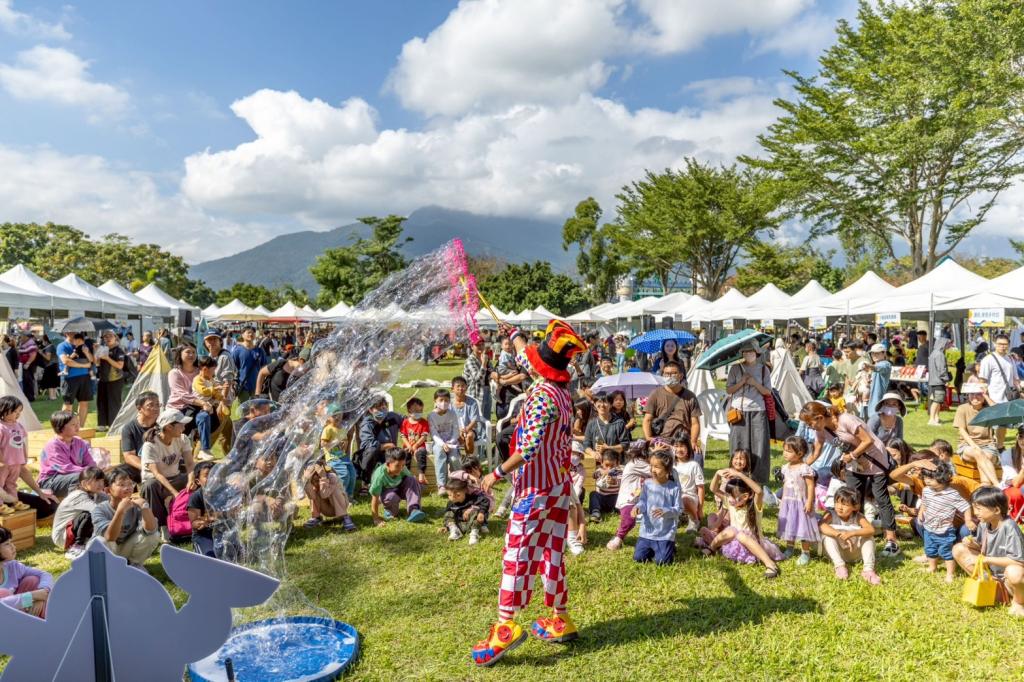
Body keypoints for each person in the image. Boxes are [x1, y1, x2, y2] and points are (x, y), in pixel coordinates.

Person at [474, 320, 585, 666]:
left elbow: (529, 448)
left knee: (517, 552)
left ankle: (505, 626)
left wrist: (496, 473)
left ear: (540, 367)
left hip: (536, 490)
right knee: (552, 551)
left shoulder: (541, 397)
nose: (528, 359)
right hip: (559, 487)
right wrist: (512, 333)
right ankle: (560, 619)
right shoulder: (561, 391)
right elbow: (524, 354)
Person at [799, 401, 900, 557]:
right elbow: (816, 452)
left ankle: (891, 540)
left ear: (819, 417)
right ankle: (858, 533)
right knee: (852, 498)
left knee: (881, 497)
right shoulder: (821, 429)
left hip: (874, 460)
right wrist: (801, 467)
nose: (809, 427)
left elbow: (868, 440)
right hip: (854, 464)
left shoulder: (845, 420)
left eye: (810, 423)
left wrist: (852, 455)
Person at [953, 487, 1024, 617]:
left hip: (1010, 580)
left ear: (996, 510)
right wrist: (972, 544)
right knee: (958, 549)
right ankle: (993, 590)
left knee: (1014, 572)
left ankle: (1018, 602)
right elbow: (982, 546)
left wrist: (986, 559)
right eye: (974, 508)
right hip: (993, 577)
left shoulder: (1009, 527)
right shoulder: (984, 523)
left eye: (979, 509)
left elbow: (1018, 561)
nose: (975, 513)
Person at [704, 468, 783, 578]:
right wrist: (717, 474)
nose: (728, 498)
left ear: (745, 496)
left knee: (740, 534)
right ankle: (711, 548)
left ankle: (770, 564)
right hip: (735, 544)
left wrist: (739, 475)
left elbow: (759, 491)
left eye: (732, 495)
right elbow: (713, 489)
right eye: (728, 495)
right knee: (731, 531)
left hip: (754, 545)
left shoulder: (754, 505)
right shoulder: (730, 502)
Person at [91, 465, 161, 570]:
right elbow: (110, 537)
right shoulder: (99, 510)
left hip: (125, 548)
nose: (128, 488)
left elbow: (151, 530)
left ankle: (134, 565)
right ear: (107, 490)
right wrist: (120, 512)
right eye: (122, 485)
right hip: (106, 551)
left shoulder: (136, 506)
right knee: (101, 541)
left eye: (130, 484)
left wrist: (145, 507)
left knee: (154, 535)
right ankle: (109, 568)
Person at [0, 396, 58, 518]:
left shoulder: (18, 426)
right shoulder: (1, 427)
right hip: (4, 465)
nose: (18, 414)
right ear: (3, 410)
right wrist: (2, 461)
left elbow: (22, 443)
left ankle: (15, 502)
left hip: (15, 464)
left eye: (19, 412)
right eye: (15, 411)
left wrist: (40, 492)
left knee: (11, 484)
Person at [140, 408, 194, 535]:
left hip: (175, 477)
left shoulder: (183, 438)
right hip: (157, 482)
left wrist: (191, 479)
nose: (184, 428)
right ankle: (162, 526)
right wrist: (175, 493)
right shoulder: (150, 445)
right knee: (150, 486)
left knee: (199, 477)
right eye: (181, 425)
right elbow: (157, 474)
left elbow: (190, 463)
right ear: (169, 427)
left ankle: (197, 518)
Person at [920, 460, 974, 583]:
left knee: (946, 552)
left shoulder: (952, 494)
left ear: (943, 478)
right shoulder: (926, 490)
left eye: (930, 478)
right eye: (925, 478)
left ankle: (950, 574)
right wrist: (921, 511)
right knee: (930, 549)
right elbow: (924, 502)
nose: (927, 481)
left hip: (945, 530)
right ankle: (932, 567)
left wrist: (968, 520)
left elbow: (966, 507)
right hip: (928, 527)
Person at [725, 344, 772, 485]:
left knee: (759, 445)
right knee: (738, 443)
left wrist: (754, 383)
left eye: (751, 351)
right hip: (739, 411)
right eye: (745, 351)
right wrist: (742, 381)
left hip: (758, 410)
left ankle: (758, 479)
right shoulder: (735, 368)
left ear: (757, 352)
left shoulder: (764, 369)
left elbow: (767, 391)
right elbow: (729, 390)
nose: (748, 354)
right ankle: (736, 475)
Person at [819, 486, 881, 584]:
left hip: (854, 552)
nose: (839, 507)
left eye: (844, 504)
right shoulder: (830, 514)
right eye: (837, 502)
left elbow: (870, 529)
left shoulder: (858, 516)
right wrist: (839, 534)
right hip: (837, 552)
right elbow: (821, 525)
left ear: (855, 507)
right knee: (828, 538)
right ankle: (840, 566)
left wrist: (851, 533)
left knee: (868, 537)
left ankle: (868, 570)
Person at [169, 345, 219, 462]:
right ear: (180, 354)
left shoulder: (199, 371)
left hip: (198, 407)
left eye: (193, 352)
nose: (191, 355)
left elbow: (212, 382)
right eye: (188, 352)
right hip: (179, 408)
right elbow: (183, 395)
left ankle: (204, 449)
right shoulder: (174, 373)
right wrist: (203, 403)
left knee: (205, 417)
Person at [631, 449, 681, 565]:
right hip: (647, 531)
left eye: (657, 467)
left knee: (662, 562)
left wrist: (667, 511)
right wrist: (638, 507)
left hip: (665, 533)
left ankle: (670, 547)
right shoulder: (647, 484)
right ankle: (654, 550)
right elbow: (643, 501)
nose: (653, 470)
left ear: (667, 470)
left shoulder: (674, 488)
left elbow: (679, 509)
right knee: (638, 558)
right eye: (651, 466)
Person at [776, 437, 821, 566]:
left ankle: (805, 552)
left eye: (789, 451)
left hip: (801, 503)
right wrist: (783, 500)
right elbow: (785, 485)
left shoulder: (804, 468)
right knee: (789, 525)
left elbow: (810, 486)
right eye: (784, 450)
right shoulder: (785, 468)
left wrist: (809, 502)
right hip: (788, 502)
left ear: (800, 453)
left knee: (803, 527)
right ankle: (789, 548)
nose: (785, 453)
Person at [643, 360, 701, 455]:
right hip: (662, 440)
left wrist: (693, 441)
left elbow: (695, 423)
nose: (669, 376)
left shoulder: (690, 396)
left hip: (683, 440)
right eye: (666, 374)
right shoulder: (655, 394)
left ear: (681, 376)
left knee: (698, 456)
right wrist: (649, 438)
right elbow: (647, 420)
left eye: (673, 373)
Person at [50, 466, 107, 560]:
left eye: (102, 481)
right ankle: (77, 547)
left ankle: (86, 543)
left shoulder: (97, 494)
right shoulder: (78, 495)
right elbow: (98, 511)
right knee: (89, 515)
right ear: (84, 483)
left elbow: (112, 504)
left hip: (75, 531)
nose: (101, 484)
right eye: (97, 481)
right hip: (62, 536)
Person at [38, 411, 97, 498]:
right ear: (61, 427)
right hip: (50, 480)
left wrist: (95, 471)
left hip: (76, 475)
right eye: (73, 424)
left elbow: (89, 462)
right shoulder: (53, 445)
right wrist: (89, 472)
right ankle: (74, 502)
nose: (77, 427)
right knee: (81, 477)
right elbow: (65, 468)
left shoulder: (79, 442)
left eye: (78, 423)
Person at [953, 384, 1002, 487]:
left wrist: (986, 395)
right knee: (978, 453)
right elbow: (961, 430)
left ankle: (985, 485)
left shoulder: (988, 410)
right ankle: (997, 485)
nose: (975, 397)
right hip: (967, 445)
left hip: (987, 445)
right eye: (972, 394)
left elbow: (1000, 411)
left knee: (985, 457)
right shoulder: (962, 408)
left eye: (979, 394)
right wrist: (974, 446)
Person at [979, 334, 1020, 449]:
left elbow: (1015, 379)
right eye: (1000, 344)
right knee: (992, 426)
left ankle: (1000, 446)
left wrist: (1020, 392)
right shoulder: (988, 360)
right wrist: (987, 399)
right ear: (994, 344)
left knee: (1003, 425)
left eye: (1005, 344)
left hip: (1008, 398)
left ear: (1008, 345)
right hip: (993, 398)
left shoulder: (1010, 359)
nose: (1002, 346)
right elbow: (982, 381)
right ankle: (991, 448)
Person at [0, 526, 52, 618]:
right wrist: (32, 596)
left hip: (17, 613)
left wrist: (43, 593)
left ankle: (46, 620)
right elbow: (2, 606)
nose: (13, 547)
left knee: (32, 580)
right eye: (7, 544)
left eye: (11, 542)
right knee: (3, 593)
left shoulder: (12, 566)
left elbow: (44, 574)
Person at [369, 448, 426, 526]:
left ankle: (413, 509)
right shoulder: (379, 476)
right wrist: (376, 519)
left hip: (399, 488)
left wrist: (420, 485)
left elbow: (412, 482)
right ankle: (390, 511)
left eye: (403, 465)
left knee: (412, 480)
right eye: (397, 466)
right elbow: (374, 498)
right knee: (391, 497)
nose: (401, 468)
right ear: (388, 464)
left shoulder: (402, 468)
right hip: (387, 494)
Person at [356, 396, 402, 488]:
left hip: (389, 453)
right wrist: (386, 445)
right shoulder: (367, 424)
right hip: (373, 455)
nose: (382, 411)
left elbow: (406, 421)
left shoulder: (392, 417)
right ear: (370, 410)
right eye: (378, 409)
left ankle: (399, 480)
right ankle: (365, 483)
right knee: (371, 451)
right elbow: (366, 444)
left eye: (384, 408)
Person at [302, 457, 356, 531]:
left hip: (338, 507)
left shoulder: (332, 476)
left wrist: (323, 477)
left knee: (336, 492)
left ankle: (345, 516)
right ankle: (316, 517)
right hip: (326, 509)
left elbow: (324, 494)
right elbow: (312, 497)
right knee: (314, 491)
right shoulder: (311, 480)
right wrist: (307, 481)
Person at [119, 391, 160, 484]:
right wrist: (148, 468)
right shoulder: (129, 428)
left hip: (162, 464)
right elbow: (129, 456)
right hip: (141, 466)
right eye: (151, 405)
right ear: (139, 408)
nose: (156, 408)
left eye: (158, 404)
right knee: (120, 472)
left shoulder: (162, 426)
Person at [57, 330, 94, 427]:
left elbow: (91, 360)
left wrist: (87, 353)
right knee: (68, 405)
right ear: (66, 333)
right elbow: (66, 361)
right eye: (71, 332)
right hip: (69, 378)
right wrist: (84, 365)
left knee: (84, 403)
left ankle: (80, 428)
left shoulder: (83, 345)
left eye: (75, 332)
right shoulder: (62, 346)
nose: (74, 334)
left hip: (84, 377)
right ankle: (65, 428)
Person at [428, 388, 461, 496]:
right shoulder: (431, 416)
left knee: (454, 459)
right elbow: (434, 433)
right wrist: (442, 444)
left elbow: (456, 430)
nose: (444, 403)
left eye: (446, 400)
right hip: (438, 443)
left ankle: (458, 482)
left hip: (452, 442)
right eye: (441, 400)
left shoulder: (452, 413)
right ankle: (441, 485)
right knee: (440, 454)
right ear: (435, 401)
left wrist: (451, 442)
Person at [440, 476, 490, 545]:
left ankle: (474, 534)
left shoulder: (472, 499)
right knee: (448, 512)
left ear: (465, 491)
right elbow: (447, 517)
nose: (452, 498)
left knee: (475, 510)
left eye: (458, 495)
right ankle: (455, 531)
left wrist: (480, 512)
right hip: (460, 526)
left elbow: (485, 501)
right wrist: (446, 527)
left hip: (473, 524)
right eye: (449, 495)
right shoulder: (450, 503)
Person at [670, 433, 703, 534]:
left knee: (684, 499)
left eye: (682, 446)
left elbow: (701, 488)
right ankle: (680, 517)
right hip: (674, 498)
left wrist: (700, 509)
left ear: (688, 448)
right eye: (676, 446)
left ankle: (694, 519)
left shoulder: (694, 465)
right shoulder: (670, 465)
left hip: (689, 498)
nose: (679, 449)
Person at [321, 406, 357, 499]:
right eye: (334, 415)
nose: (337, 417)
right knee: (344, 475)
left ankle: (349, 496)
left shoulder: (342, 429)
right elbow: (323, 444)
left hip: (342, 456)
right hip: (332, 458)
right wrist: (334, 443)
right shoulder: (328, 429)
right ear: (328, 417)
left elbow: (344, 445)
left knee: (353, 474)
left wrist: (344, 444)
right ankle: (341, 495)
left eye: (339, 415)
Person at [583, 392, 628, 464]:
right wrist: (592, 453)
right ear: (594, 405)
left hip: (616, 464)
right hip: (598, 464)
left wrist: (608, 448)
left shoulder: (619, 423)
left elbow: (625, 445)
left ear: (611, 404)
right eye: (599, 402)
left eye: (605, 402)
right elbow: (586, 444)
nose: (602, 405)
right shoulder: (591, 424)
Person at [95, 329, 126, 430]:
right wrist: (96, 351)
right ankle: (102, 424)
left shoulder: (119, 350)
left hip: (115, 380)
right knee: (101, 402)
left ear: (115, 337)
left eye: (110, 336)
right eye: (105, 337)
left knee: (114, 403)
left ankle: (114, 424)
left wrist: (107, 358)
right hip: (103, 379)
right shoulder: (102, 349)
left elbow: (120, 366)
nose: (108, 338)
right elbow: (97, 363)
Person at [186, 461, 218, 556]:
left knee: (235, 554)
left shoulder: (223, 493)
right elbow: (194, 523)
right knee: (210, 556)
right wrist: (205, 520)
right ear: (198, 481)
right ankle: (199, 547)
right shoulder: (196, 497)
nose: (212, 478)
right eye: (207, 475)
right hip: (203, 535)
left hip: (221, 531)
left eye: (214, 474)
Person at [230, 326, 268, 404]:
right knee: (244, 409)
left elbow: (264, 367)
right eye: (248, 332)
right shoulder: (237, 350)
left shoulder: (259, 351)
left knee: (256, 408)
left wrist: (264, 382)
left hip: (257, 386)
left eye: (253, 333)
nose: (251, 334)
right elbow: (233, 367)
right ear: (242, 335)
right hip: (243, 386)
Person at [398, 397, 430, 486]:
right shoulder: (405, 422)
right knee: (405, 456)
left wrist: (416, 445)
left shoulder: (424, 422)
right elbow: (403, 436)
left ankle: (421, 474)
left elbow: (424, 436)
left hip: (419, 446)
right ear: (409, 410)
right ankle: (406, 476)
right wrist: (409, 446)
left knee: (421, 453)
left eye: (420, 411)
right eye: (415, 411)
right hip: (407, 446)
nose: (418, 413)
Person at [588, 450, 622, 524]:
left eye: (612, 466)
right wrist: (600, 473)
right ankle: (596, 512)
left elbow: (621, 482)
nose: (609, 468)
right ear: (602, 463)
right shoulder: (600, 470)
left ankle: (619, 510)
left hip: (614, 499)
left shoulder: (619, 472)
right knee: (593, 494)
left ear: (617, 464)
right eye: (606, 465)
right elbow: (594, 475)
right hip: (602, 498)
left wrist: (614, 481)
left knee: (621, 496)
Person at [451, 376, 482, 456]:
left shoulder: (472, 402)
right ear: (452, 389)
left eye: (463, 386)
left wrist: (466, 429)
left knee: (469, 436)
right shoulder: (449, 404)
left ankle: (469, 458)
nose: (461, 388)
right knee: (457, 437)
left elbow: (474, 421)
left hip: (470, 430)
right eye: (458, 386)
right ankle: (461, 459)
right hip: (454, 430)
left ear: (466, 388)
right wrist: (458, 431)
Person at [464, 337, 493, 420]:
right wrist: (483, 364)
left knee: (487, 419)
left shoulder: (485, 357)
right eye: (477, 345)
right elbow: (477, 378)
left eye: (482, 344)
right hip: (476, 393)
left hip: (487, 391)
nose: (480, 347)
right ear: (472, 346)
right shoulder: (470, 360)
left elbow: (492, 372)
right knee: (478, 420)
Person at [926, 336, 953, 426]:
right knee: (937, 400)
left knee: (938, 400)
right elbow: (941, 369)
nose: (948, 346)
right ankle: (931, 419)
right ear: (943, 344)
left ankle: (936, 418)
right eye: (947, 344)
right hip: (939, 381)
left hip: (933, 380)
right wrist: (946, 379)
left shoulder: (933, 353)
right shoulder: (940, 354)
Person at [999, 429, 1024, 521]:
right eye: (1021, 436)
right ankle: (1017, 523)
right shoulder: (1008, 454)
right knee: (1015, 494)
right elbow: (1016, 483)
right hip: (1012, 487)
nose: (1023, 440)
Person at [865, 344, 892, 420]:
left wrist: (869, 366)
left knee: (878, 421)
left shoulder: (886, 364)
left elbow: (879, 368)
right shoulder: (876, 364)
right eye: (872, 353)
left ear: (884, 353)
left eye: (877, 353)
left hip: (879, 401)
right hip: (874, 400)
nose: (874, 355)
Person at [37, 334, 59, 401]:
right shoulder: (53, 346)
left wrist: (41, 353)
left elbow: (48, 358)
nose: (42, 341)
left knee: (50, 382)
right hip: (55, 365)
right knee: (54, 382)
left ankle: (51, 397)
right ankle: (54, 396)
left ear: (45, 340)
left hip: (50, 366)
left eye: (43, 340)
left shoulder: (48, 347)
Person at [17, 332, 37, 402]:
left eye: (22, 336)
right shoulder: (23, 342)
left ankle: (30, 397)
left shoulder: (31, 343)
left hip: (28, 365)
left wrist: (28, 363)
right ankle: (26, 396)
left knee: (28, 380)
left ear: (26, 337)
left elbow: (33, 354)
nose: (21, 337)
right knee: (25, 380)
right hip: (22, 364)